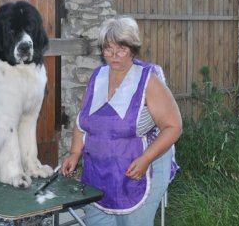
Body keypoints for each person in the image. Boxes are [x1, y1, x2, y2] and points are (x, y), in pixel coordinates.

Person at [61, 17, 182, 225]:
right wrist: (74, 153)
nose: (114, 56)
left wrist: (145, 159)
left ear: (133, 49)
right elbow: (83, 122)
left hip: (138, 171)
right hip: (99, 172)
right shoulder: (98, 77)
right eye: (108, 49)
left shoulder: (147, 80)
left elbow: (173, 127)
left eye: (121, 49)